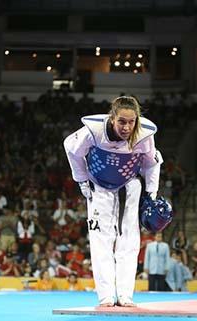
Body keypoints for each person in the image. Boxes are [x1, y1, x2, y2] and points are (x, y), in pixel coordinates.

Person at [63, 96, 163, 307]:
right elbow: (71, 149)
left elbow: (152, 163)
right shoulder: (94, 131)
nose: (127, 127)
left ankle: (125, 295)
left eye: (131, 122)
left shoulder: (144, 135)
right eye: (122, 122)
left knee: (129, 241)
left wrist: (152, 193)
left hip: (130, 186)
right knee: (101, 241)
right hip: (99, 186)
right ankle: (106, 295)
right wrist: (81, 179)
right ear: (112, 118)